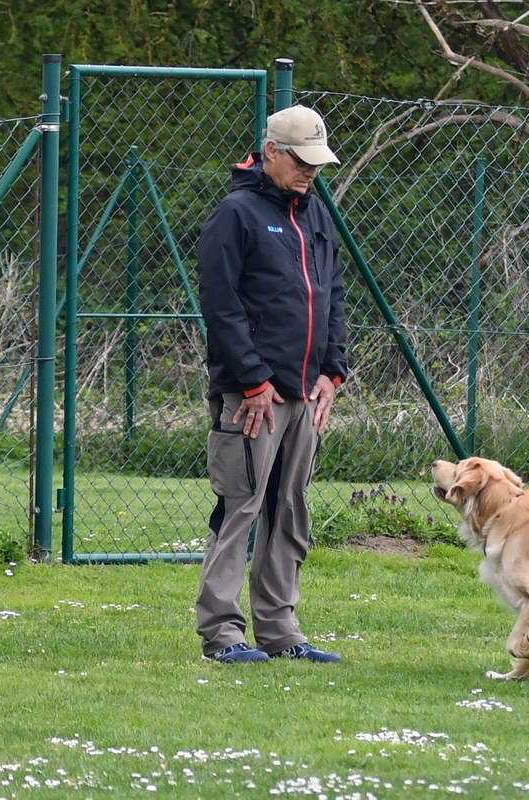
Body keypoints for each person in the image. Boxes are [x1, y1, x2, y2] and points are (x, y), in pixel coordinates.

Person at [195, 105, 348, 664]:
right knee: (240, 505)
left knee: (290, 508)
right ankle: (222, 634)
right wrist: (254, 381)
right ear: (273, 154)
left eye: (318, 163)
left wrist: (333, 372)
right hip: (252, 397)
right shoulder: (235, 215)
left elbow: (332, 296)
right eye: (302, 161)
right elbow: (221, 306)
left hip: (307, 394)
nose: (311, 172)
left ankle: (281, 632)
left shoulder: (316, 217)